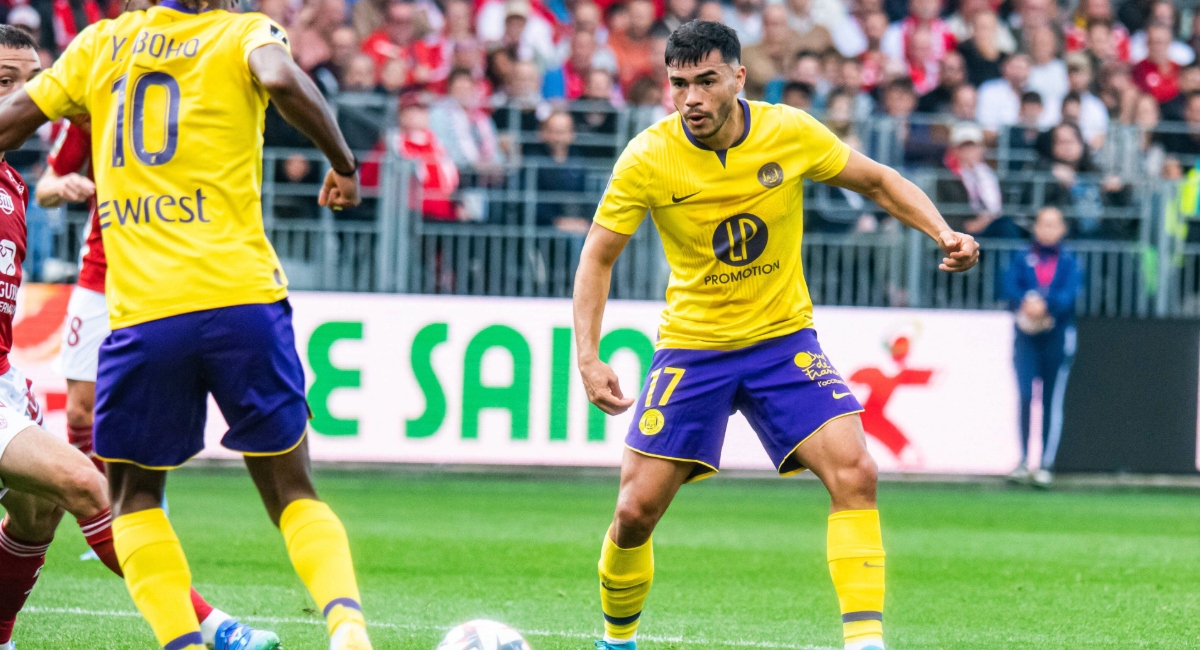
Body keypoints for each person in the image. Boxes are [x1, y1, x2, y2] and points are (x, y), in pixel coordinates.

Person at [576, 20, 979, 650]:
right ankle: (616, 640)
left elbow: (875, 180)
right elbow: (597, 258)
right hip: (693, 348)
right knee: (633, 513)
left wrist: (943, 232)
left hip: (782, 343)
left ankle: (865, 641)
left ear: (739, 77)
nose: (692, 99)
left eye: (707, 81)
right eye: (679, 84)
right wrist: (588, 355)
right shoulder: (648, 156)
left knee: (856, 473)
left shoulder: (787, 131)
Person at [0, 3, 373, 650]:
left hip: (145, 313)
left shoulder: (102, 45)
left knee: (132, 499)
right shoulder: (245, 33)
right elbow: (283, 79)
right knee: (291, 491)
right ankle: (345, 626)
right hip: (243, 300)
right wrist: (342, 162)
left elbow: (14, 122)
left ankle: (187, 641)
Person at [1002, 206, 1081, 488]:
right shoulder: (1023, 257)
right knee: (1025, 395)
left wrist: (1046, 306)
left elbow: (1070, 294)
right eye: (1043, 224)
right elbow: (1009, 287)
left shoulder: (1069, 261)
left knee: (1050, 400)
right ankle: (1023, 460)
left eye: (1053, 224)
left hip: (1055, 336)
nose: (1047, 229)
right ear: (1035, 227)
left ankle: (1045, 464)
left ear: (1062, 229)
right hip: (1025, 337)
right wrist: (1026, 302)